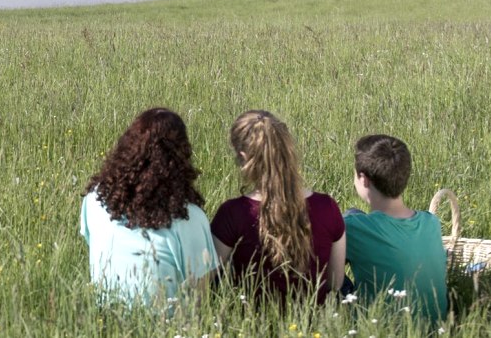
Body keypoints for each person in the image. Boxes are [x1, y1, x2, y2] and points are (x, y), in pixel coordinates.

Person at [80, 108, 220, 306]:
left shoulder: (94, 199)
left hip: (105, 320)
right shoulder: (189, 219)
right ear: (180, 158)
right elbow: (200, 297)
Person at [210, 110, 345, 303]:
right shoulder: (327, 207)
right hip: (312, 325)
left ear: (244, 156)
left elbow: (205, 277)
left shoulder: (233, 213)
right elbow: (335, 282)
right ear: (287, 149)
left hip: (251, 323)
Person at [343, 134, 448, 323]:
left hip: (380, 328)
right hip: (434, 329)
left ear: (363, 179)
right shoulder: (431, 222)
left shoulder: (353, 228)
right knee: (353, 213)